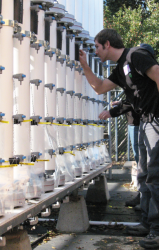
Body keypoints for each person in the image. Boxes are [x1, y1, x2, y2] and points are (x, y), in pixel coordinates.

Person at [79, 29, 159, 249]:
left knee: (155, 176)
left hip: (155, 121)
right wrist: (85, 66)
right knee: (144, 174)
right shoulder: (120, 68)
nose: (95, 51)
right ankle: (147, 222)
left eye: (96, 47)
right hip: (145, 122)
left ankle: (156, 230)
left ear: (107, 44)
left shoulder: (135, 56)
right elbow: (99, 88)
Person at [99, 99, 141, 207]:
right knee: (141, 160)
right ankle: (144, 196)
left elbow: (132, 100)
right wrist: (122, 103)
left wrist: (112, 112)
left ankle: (144, 197)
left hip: (138, 122)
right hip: (136, 122)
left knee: (141, 160)